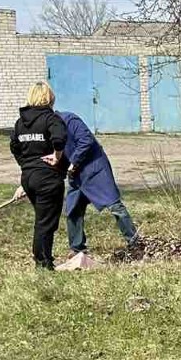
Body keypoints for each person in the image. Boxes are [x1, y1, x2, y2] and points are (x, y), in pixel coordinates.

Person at [57, 108, 138, 262]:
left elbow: (85, 140)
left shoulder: (70, 120)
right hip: (77, 175)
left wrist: (74, 161)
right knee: (73, 209)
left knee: (115, 206)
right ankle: (77, 248)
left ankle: (135, 242)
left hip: (95, 168)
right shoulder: (49, 129)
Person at [9, 82, 67, 271]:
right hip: (48, 178)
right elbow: (59, 139)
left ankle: (44, 259)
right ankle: (43, 264)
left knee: (42, 220)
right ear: (49, 97)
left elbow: (14, 147)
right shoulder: (51, 119)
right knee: (45, 223)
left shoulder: (20, 123)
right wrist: (57, 157)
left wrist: (27, 166)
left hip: (29, 178)